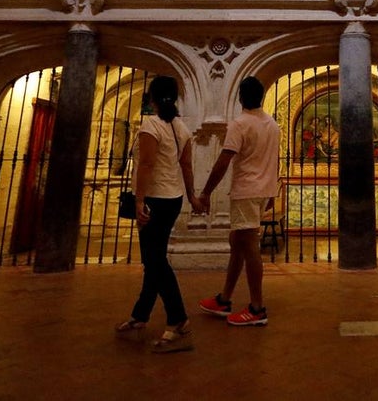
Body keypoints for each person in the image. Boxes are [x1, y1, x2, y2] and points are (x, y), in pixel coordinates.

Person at [115, 75, 203, 353]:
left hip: (154, 199)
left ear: (151, 97)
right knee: (153, 259)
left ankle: (178, 320)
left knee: (155, 261)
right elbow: (187, 166)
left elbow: (146, 165)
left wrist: (139, 202)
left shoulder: (151, 124)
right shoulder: (182, 128)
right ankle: (140, 314)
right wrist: (191, 196)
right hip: (173, 198)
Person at [198, 76, 280, 326]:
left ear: (241, 97)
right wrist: (271, 193)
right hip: (262, 190)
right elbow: (275, 161)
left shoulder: (240, 124)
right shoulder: (272, 124)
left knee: (249, 246)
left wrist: (206, 192)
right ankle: (225, 298)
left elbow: (224, 159)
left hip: (246, 189)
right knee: (237, 241)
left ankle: (257, 307)